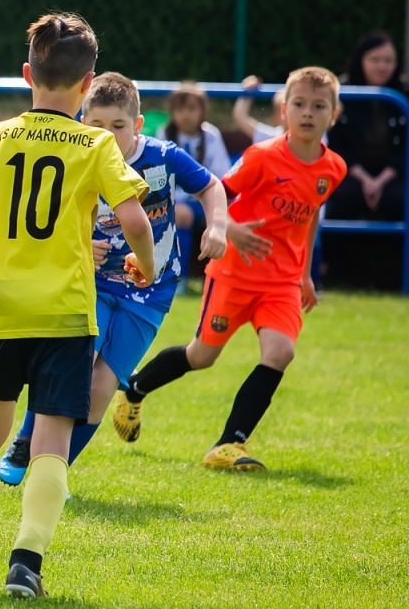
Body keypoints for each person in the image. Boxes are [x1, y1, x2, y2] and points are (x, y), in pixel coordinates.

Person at [0, 14, 154, 600]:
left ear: (26, 74)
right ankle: (25, 566)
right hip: (63, 312)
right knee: (52, 439)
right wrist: (145, 263)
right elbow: (135, 218)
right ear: (88, 84)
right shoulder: (94, 144)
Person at [0, 72, 227, 485]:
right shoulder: (75, 161)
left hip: (150, 292)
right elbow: (52, 218)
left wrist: (217, 227)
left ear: (137, 126)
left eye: (118, 126)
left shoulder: (163, 157)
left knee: (100, 393)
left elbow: (211, 187)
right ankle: (26, 440)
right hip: (95, 282)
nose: (107, 134)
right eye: (96, 125)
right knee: (71, 367)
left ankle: (52, 473)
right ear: (83, 122)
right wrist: (83, 241)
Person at [114, 67, 347, 472]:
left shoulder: (334, 168)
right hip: (234, 274)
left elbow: (310, 215)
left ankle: (228, 445)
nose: (308, 113)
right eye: (299, 104)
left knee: (280, 352)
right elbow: (217, 194)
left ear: (334, 114)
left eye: (319, 106)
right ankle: (135, 387)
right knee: (202, 355)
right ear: (282, 111)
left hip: (281, 282)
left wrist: (305, 273)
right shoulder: (262, 158)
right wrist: (231, 229)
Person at [326, 31, 404, 223]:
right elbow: (335, 142)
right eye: (374, 59)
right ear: (360, 60)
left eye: (388, 60)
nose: (382, 66)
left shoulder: (404, 93)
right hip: (350, 171)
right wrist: (364, 178)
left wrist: (381, 180)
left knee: (400, 198)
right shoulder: (340, 92)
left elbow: (405, 146)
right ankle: (331, 253)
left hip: (395, 173)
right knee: (342, 197)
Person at [163, 83, 231, 260]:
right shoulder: (164, 133)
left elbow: (221, 174)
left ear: (202, 110)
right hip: (175, 200)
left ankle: (216, 272)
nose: (186, 114)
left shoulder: (211, 135)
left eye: (192, 108)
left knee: (232, 217)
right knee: (181, 214)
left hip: (205, 199)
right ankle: (181, 278)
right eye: (180, 109)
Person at [232, 74, 285, 144]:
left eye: (299, 105)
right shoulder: (273, 137)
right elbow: (240, 116)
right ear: (275, 119)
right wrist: (248, 91)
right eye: (283, 110)